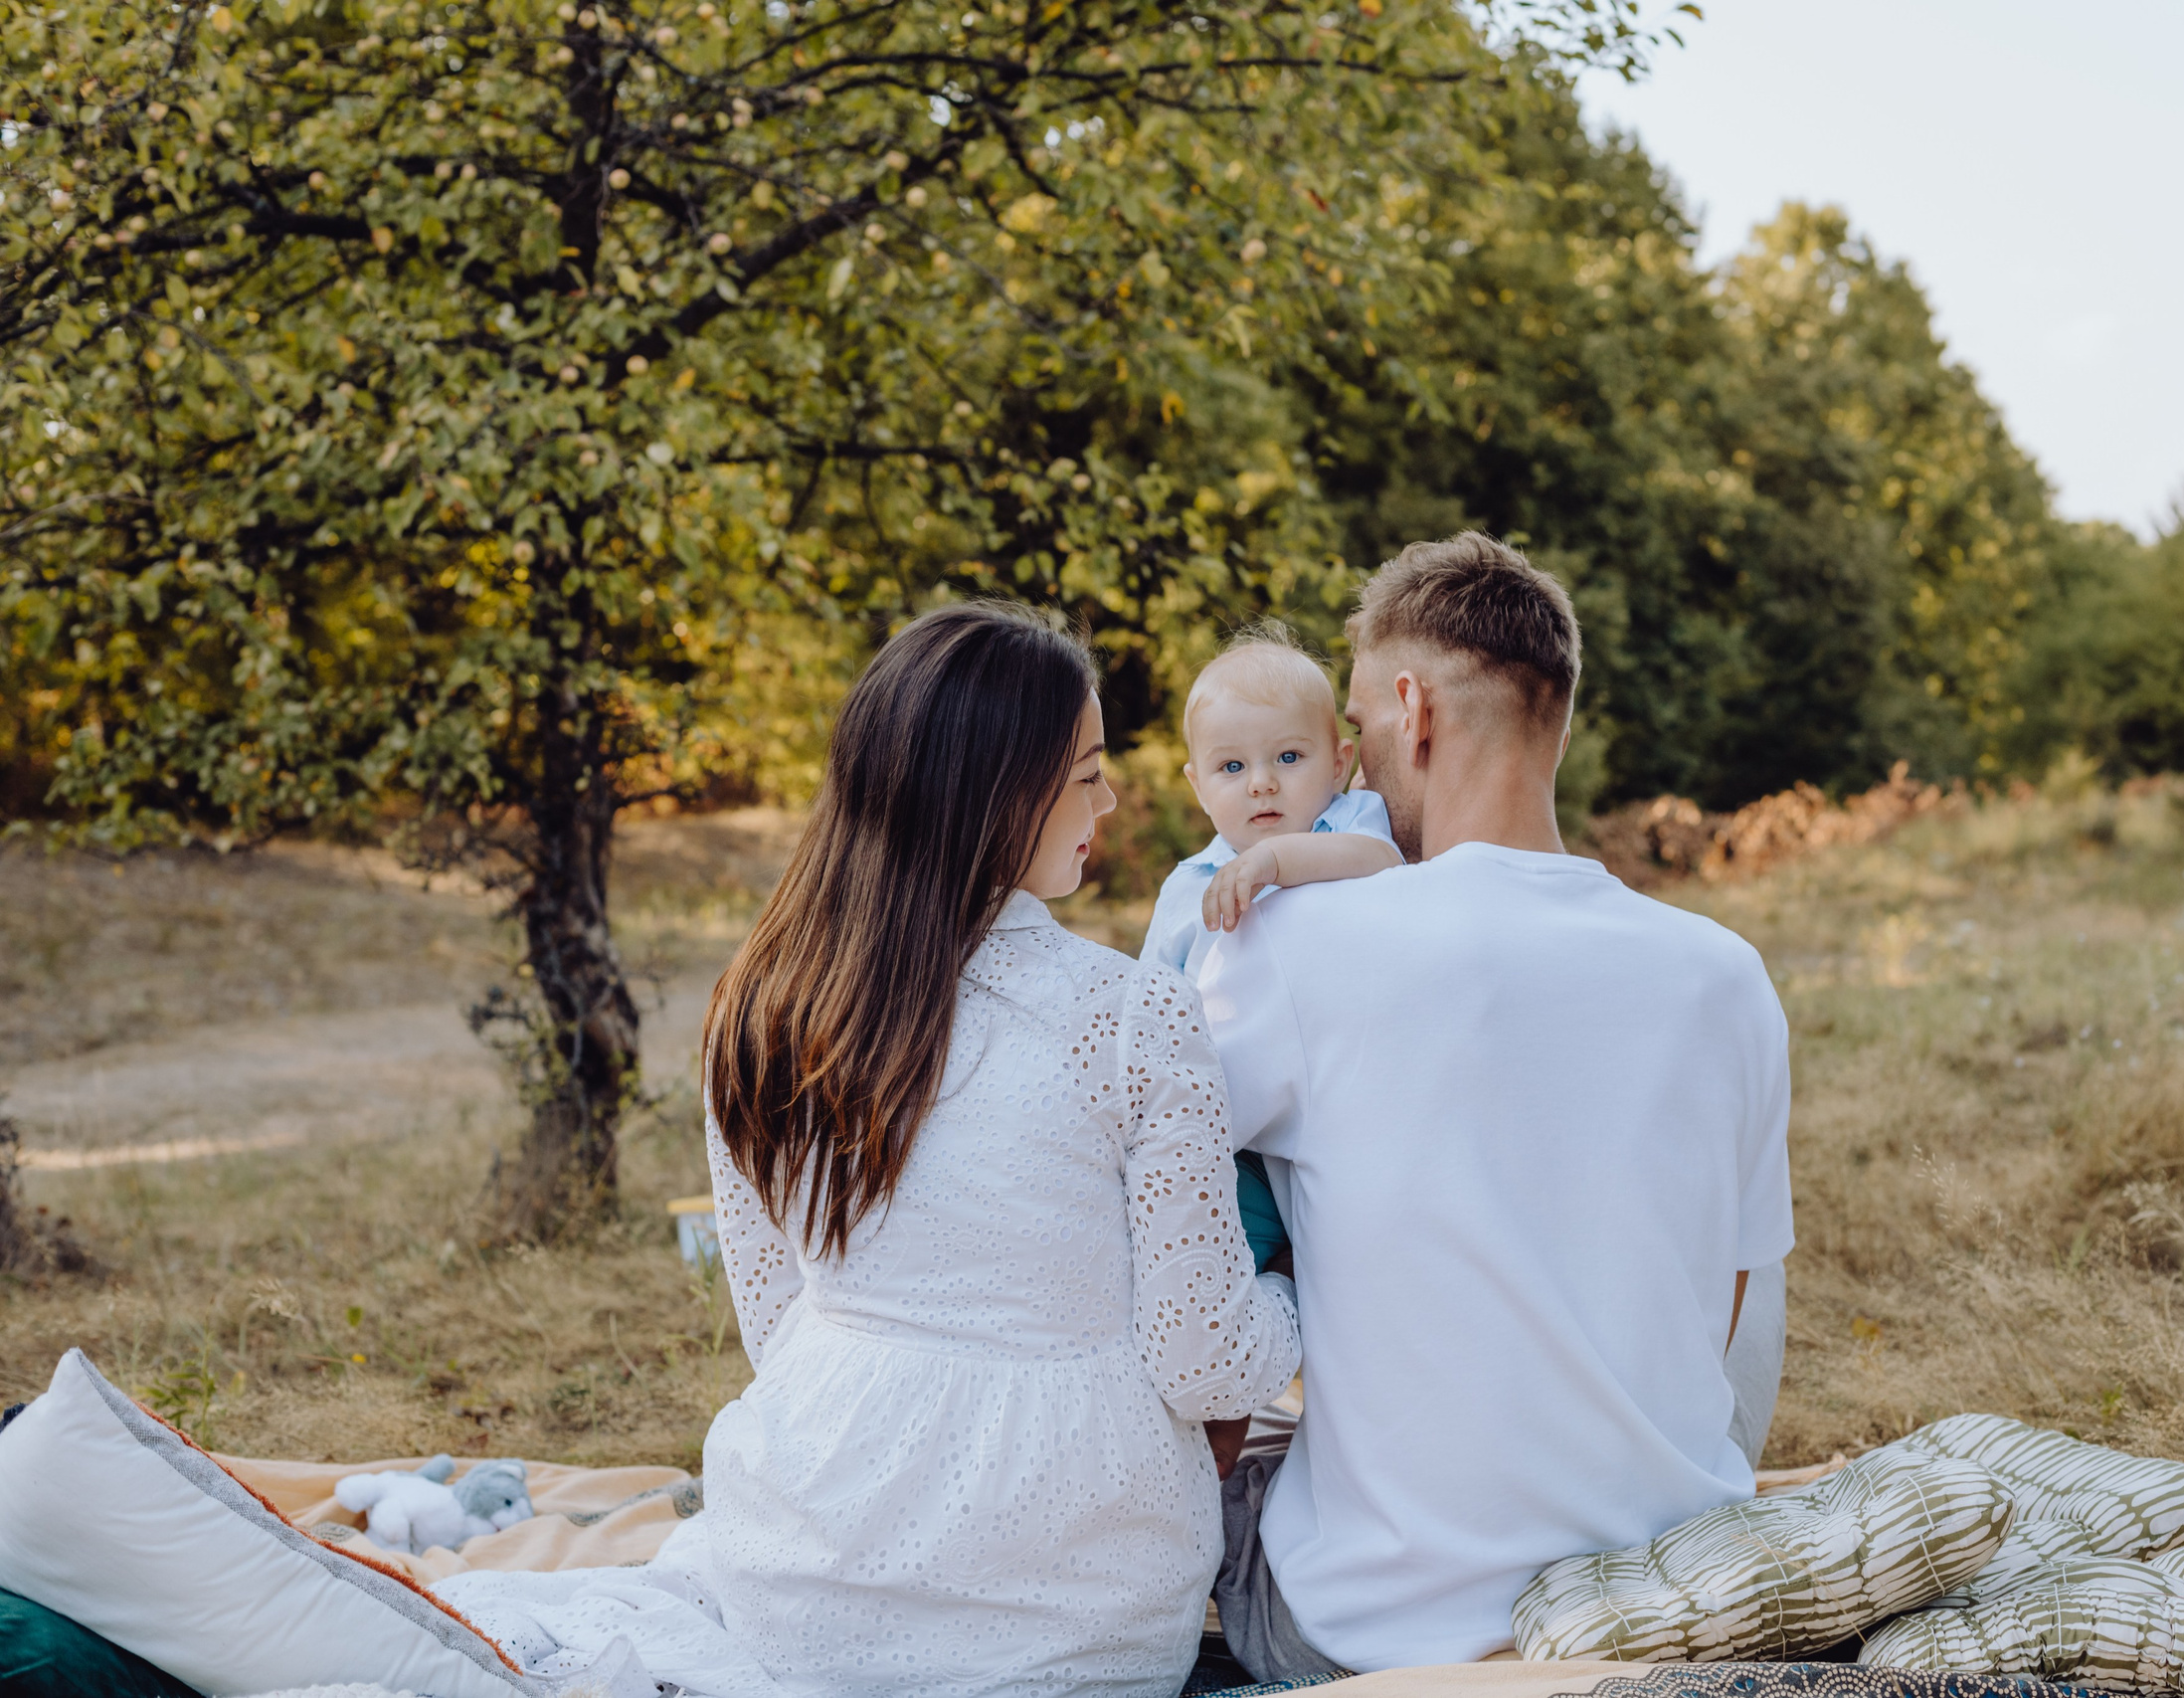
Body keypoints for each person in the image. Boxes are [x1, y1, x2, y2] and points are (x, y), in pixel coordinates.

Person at [438, 603, 1301, 1698]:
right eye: (1085, 774)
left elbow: (780, 1328)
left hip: (802, 1568)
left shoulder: (760, 1005)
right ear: (997, 793)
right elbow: (1201, 1359)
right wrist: (1292, 1292)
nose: (1112, 799)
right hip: (1079, 1602)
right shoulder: (1134, 1016)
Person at [1195, 533, 1794, 1680]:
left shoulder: (1301, 941)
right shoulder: (1724, 973)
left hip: (1371, 1628)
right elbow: (1723, 1310)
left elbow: (1148, 1199)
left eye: (1359, 737)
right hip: (1651, 1594)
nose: (1352, 782)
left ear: (1411, 712)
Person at [1140, 629, 1401, 1274]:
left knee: (1338, 1268)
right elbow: (1148, 1003)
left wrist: (1274, 861)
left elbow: (1382, 861)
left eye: (1288, 757)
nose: (1261, 783)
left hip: (1332, 1119)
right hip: (1225, 1137)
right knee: (1200, 1260)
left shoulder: (1345, 824)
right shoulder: (1188, 886)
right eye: (1232, 767)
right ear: (1197, 784)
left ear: (1338, 762)